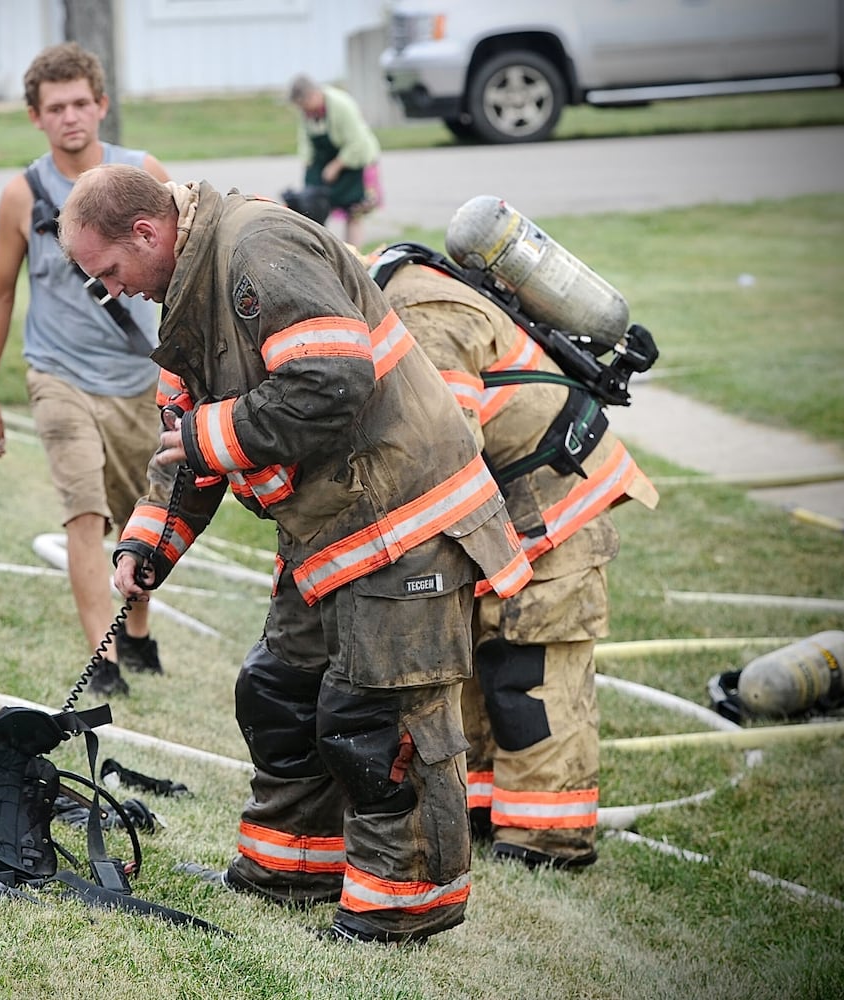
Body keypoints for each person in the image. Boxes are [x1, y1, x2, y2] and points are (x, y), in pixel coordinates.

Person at [57, 163, 533, 944]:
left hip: (403, 521)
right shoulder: (185, 292)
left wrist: (214, 435)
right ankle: (292, 868)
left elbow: (330, 380)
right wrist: (149, 545)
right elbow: (187, 445)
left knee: (378, 723)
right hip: (333, 530)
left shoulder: (258, 248)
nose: (114, 290)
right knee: (279, 694)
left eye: (110, 272)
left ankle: (404, 905)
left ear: (147, 233)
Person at [367, 236, 659, 869]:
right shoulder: (387, 296)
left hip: (551, 508)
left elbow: (447, 454)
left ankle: (548, 840)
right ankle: (482, 810)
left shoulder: (426, 317)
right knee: (474, 665)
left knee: (530, 678)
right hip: (504, 509)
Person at [0, 44, 171, 697]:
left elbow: (178, 272)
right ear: (36, 116)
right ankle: (105, 657)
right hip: (57, 374)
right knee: (85, 511)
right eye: (55, 107)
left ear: (102, 104)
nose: (71, 117)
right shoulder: (22, 196)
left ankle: (136, 626)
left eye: (81, 102)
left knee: (142, 515)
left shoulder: (143, 173)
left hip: (137, 378)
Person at [287, 74, 381, 246]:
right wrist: (307, 162)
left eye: (305, 105)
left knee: (354, 212)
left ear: (314, 95)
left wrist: (337, 165)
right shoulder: (307, 112)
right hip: (324, 162)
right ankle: (319, 251)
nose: (304, 111)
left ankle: (353, 256)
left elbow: (357, 141)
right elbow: (305, 140)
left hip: (355, 162)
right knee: (312, 207)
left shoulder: (341, 105)